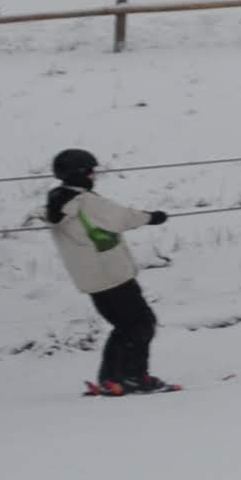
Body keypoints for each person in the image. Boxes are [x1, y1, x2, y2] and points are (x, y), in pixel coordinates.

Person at [41, 149, 178, 395]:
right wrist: (153, 217)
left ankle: (111, 379)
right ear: (79, 174)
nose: (94, 176)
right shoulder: (86, 201)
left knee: (124, 326)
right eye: (90, 172)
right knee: (142, 323)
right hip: (113, 274)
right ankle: (135, 377)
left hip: (92, 280)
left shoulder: (56, 204)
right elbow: (123, 217)